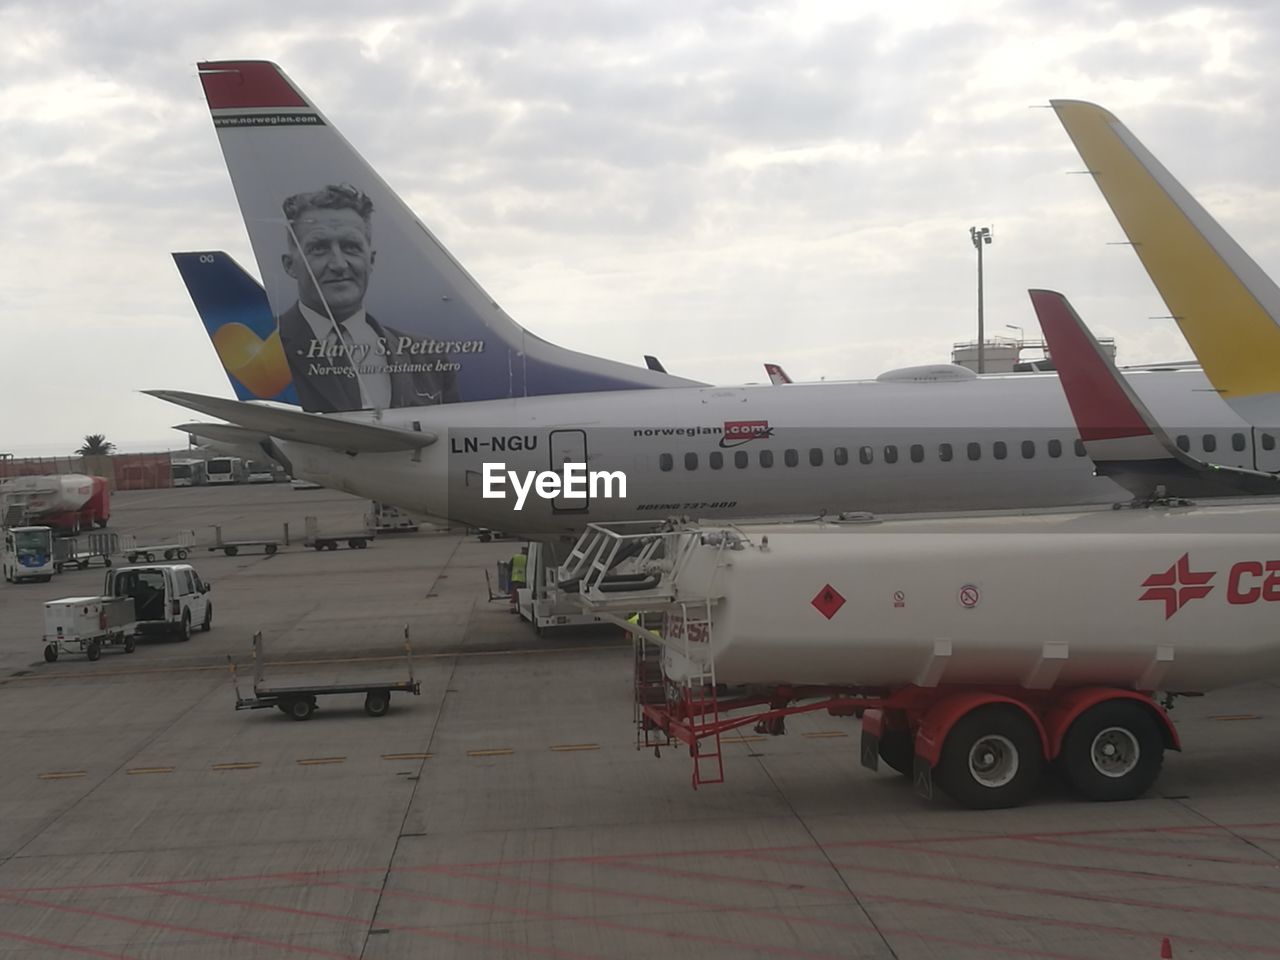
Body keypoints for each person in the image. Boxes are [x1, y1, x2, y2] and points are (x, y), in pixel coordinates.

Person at [275, 183, 460, 413]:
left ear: (370, 260)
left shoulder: (428, 356)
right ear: (290, 265)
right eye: (319, 249)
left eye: (351, 247)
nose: (339, 265)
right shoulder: (269, 349)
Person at [509, 545, 528, 614]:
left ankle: (513, 608)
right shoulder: (528, 558)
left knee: (514, 595)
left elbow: (509, 567)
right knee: (523, 596)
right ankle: (520, 608)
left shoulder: (515, 556)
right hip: (523, 579)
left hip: (515, 578)